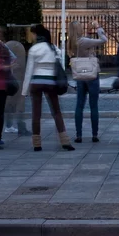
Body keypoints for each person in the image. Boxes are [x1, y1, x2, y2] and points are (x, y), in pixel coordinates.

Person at [22, 24, 75, 152]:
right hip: (51, 82)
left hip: (36, 82)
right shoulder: (53, 48)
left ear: (36, 35)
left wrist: (24, 90)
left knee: (36, 113)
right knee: (56, 111)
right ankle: (65, 140)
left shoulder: (34, 49)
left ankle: (37, 143)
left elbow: (29, 70)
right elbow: (60, 65)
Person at [68, 20, 108, 143]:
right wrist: (98, 28)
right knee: (93, 105)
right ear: (79, 29)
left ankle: (78, 134)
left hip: (80, 75)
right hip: (91, 74)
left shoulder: (70, 42)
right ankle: (94, 134)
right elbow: (103, 40)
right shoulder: (83, 41)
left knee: (79, 105)